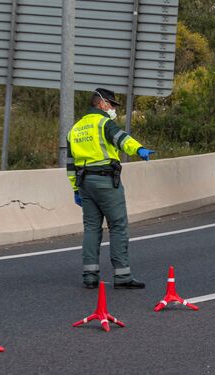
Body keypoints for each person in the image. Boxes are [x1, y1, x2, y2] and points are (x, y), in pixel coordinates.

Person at [66, 88, 155, 289]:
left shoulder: (75, 129)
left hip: (84, 183)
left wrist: (75, 189)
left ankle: (90, 276)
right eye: (112, 105)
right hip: (105, 181)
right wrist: (139, 150)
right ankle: (122, 276)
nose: (113, 109)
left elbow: (70, 164)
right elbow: (122, 139)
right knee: (118, 226)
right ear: (102, 103)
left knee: (91, 228)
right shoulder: (103, 123)